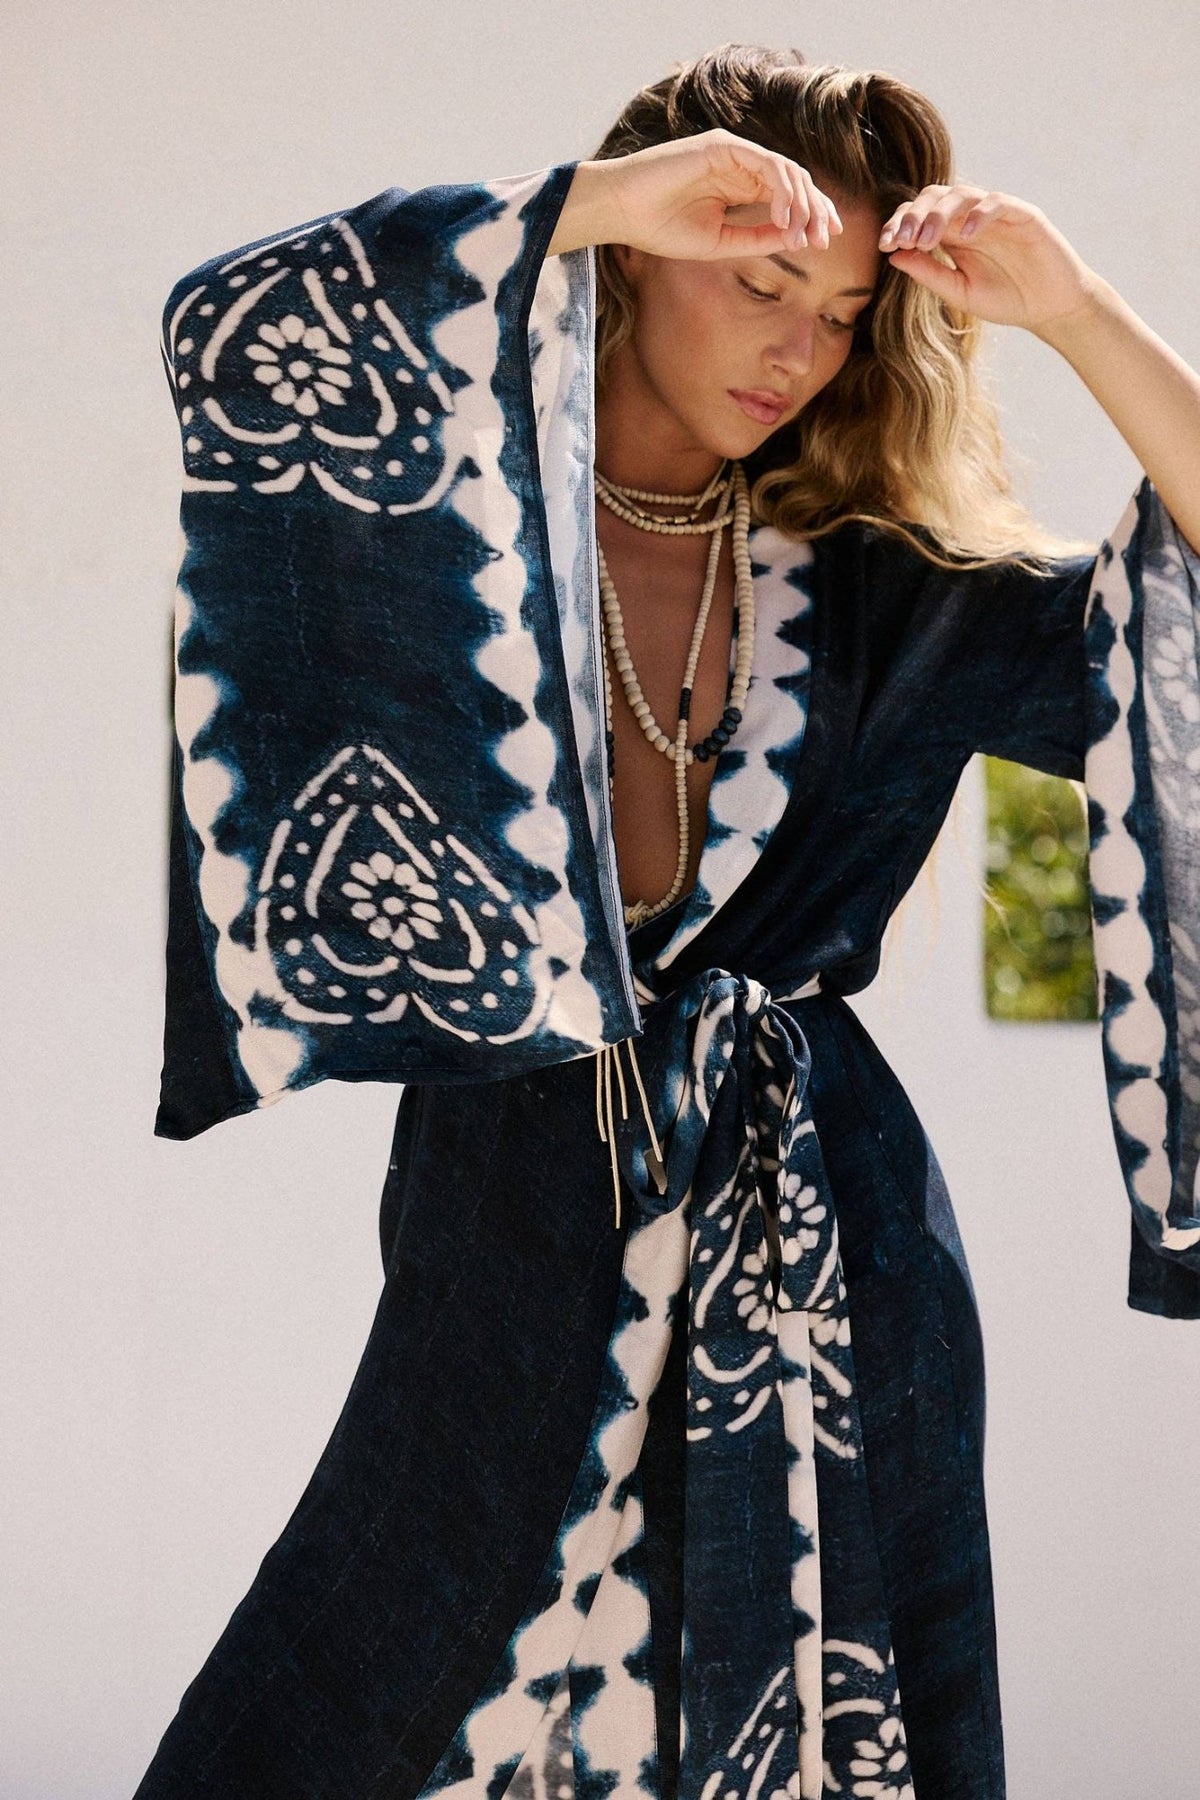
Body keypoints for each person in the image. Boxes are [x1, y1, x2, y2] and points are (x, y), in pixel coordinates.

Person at [136, 41, 1200, 1800]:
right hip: (511, 1204)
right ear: (644, 257)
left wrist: (1079, 314)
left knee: (820, 1719)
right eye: (760, 282)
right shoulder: (453, 547)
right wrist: (591, 201)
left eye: (843, 315)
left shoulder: (889, 599)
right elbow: (238, 335)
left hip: (829, 1225)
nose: (800, 348)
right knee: (355, 1693)